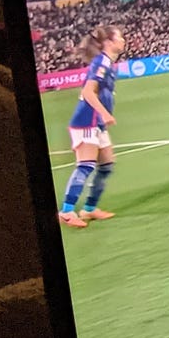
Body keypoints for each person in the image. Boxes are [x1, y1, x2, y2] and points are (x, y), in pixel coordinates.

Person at [58, 24, 125, 229]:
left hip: (97, 123)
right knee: (86, 166)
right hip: (87, 120)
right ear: (108, 42)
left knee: (106, 166)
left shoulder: (107, 63)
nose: (123, 40)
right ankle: (67, 211)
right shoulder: (102, 62)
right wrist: (105, 113)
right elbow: (88, 92)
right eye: (120, 37)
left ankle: (89, 208)